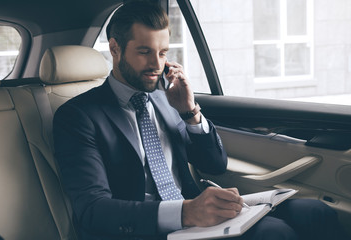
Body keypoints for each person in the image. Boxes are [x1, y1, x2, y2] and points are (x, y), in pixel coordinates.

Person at [53, 1, 350, 240]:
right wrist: (186, 213)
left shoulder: (165, 98)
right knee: (275, 233)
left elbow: (215, 165)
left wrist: (190, 111)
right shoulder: (78, 116)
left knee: (316, 212)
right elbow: (92, 210)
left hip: (195, 216)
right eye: (144, 52)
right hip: (148, 228)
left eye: (163, 52)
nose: (157, 65)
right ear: (115, 48)